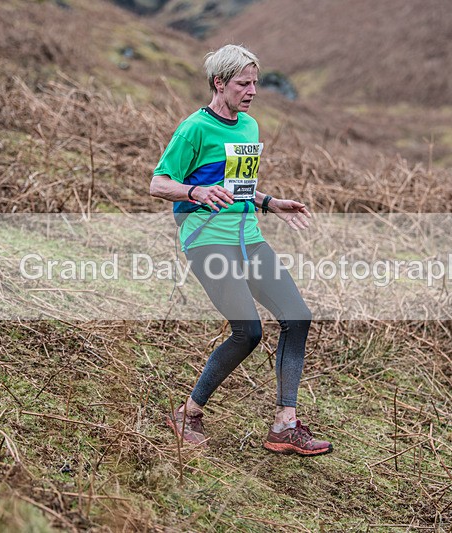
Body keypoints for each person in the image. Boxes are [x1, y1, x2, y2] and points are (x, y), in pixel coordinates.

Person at [149, 44, 332, 456]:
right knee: (248, 332)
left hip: (248, 237)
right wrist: (194, 192)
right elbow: (159, 182)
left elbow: (238, 188)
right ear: (219, 83)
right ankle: (188, 414)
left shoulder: (249, 127)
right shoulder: (194, 129)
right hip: (207, 239)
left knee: (297, 316)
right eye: (243, 84)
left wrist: (270, 203)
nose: (252, 91)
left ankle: (285, 425)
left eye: (254, 83)